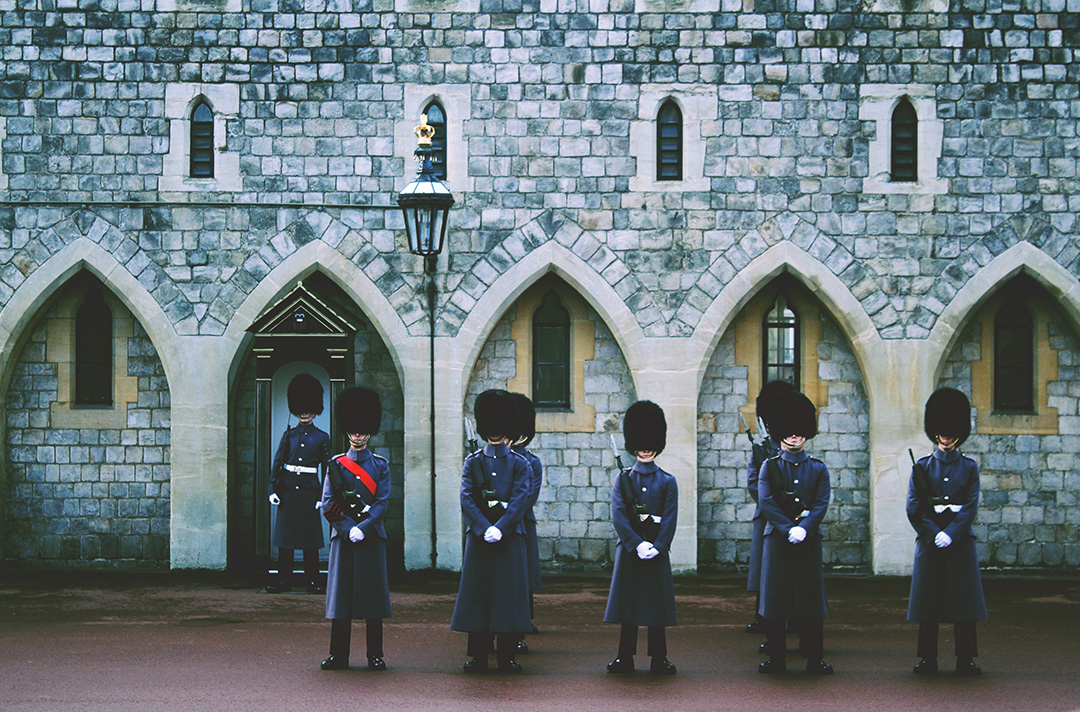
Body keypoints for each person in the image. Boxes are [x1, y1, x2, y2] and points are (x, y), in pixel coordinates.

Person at [451, 389, 533, 674]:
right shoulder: (473, 462)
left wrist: (502, 528)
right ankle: (478, 656)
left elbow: (521, 499)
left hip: (508, 540)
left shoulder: (520, 464)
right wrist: (484, 528)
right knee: (479, 596)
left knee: (506, 597)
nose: (495, 433)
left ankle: (507, 656)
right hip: (480, 539)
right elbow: (466, 499)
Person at [907, 387, 987, 676]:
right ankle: (928, 659)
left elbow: (969, 506)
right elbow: (914, 508)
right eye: (942, 432)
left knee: (964, 605)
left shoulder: (969, 468)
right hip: (931, 544)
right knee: (929, 604)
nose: (946, 437)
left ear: (959, 433)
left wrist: (951, 532)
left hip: (959, 543)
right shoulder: (922, 467)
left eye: (952, 432)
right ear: (935, 432)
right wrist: (932, 534)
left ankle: (966, 658)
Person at [757, 391, 833, 675]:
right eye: (788, 431)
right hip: (778, 540)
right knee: (776, 600)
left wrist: (805, 528)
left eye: (799, 431)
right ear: (780, 433)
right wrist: (789, 529)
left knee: (810, 600)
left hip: (808, 541)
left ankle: (815, 658)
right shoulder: (770, 467)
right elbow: (766, 502)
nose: (793, 436)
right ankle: (777, 658)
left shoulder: (818, 468)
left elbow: (821, 502)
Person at [320, 386, 392, 671]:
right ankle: (339, 655)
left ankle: (375, 655)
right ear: (348, 431)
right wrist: (349, 527)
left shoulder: (380, 465)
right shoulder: (336, 465)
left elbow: (383, 502)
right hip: (344, 538)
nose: (358, 436)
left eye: (362, 431)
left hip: (371, 537)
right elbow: (328, 503)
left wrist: (365, 526)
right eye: (354, 431)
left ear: (369, 432)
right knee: (342, 600)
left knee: (372, 600)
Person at [604, 400, 678, 675]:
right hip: (631, 551)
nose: (646, 449)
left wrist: (658, 546)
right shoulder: (623, 479)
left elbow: (670, 518)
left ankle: (659, 658)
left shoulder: (667, 481)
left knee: (656, 609)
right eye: (641, 444)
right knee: (629, 607)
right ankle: (625, 657)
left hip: (656, 551)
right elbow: (619, 517)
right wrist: (637, 544)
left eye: (650, 444)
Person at [266, 373, 330, 594]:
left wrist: (323, 496)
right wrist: (272, 488)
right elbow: (278, 462)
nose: (304, 413)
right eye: (301, 410)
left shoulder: (322, 437)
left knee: (309, 539)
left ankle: (313, 580)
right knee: (286, 539)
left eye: (308, 409)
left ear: (314, 411)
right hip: (288, 491)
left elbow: (327, 470)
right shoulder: (289, 435)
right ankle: (284, 580)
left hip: (310, 493)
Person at [746, 380, 794, 643]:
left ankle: (797, 617)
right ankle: (762, 616)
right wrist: (772, 505)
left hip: (795, 518)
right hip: (767, 518)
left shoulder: (794, 444)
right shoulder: (761, 449)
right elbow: (754, 482)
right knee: (766, 570)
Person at [510, 392, 543, 650]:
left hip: (521, 524)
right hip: (499, 524)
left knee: (522, 577)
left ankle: (522, 623)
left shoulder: (532, 462)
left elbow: (528, 498)